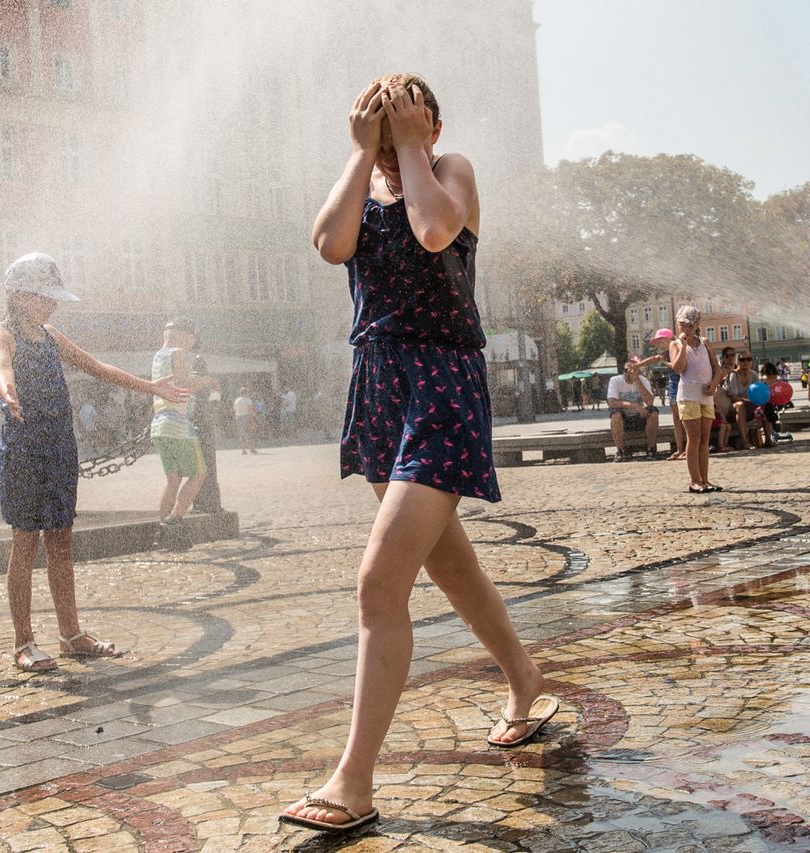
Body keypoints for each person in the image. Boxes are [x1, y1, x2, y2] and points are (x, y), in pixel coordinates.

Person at [282, 73, 552, 834]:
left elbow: (435, 232)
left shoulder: (452, 171)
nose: (396, 130)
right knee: (450, 563)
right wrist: (365, 154)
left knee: (379, 581)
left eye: (410, 116)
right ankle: (525, 680)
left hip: (440, 382)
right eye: (382, 116)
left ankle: (352, 781)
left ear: (433, 126)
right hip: (379, 387)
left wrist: (408, 144)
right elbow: (330, 244)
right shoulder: (366, 187)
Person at [0, 253, 188, 673]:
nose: (53, 305)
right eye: (46, 298)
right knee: (25, 540)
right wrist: (9, 393)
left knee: (60, 539)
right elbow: (0, 366)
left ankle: (71, 635)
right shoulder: (1, 333)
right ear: (20, 296)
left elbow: (97, 368)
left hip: (59, 447)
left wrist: (148, 385)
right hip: (24, 449)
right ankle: (24, 642)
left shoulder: (50, 335)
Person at [151, 319, 219, 543]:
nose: (191, 345)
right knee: (199, 474)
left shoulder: (157, 356)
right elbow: (183, 385)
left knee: (173, 480)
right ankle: (175, 521)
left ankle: (162, 530)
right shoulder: (177, 352)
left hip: (159, 423)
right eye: (192, 340)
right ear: (182, 335)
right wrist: (207, 381)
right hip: (178, 424)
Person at [668, 305, 723, 493]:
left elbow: (717, 368)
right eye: (683, 324)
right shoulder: (675, 344)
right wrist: (683, 345)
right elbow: (678, 368)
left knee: (705, 439)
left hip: (706, 396)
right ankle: (694, 481)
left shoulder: (705, 342)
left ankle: (705, 479)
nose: (686, 329)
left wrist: (714, 383)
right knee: (694, 438)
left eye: (690, 325)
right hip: (688, 396)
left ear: (697, 325)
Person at [606, 357, 660, 461]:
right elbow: (611, 402)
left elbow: (649, 402)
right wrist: (634, 405)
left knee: (653, 412)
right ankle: (620, 451)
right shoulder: (615, 380)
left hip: (639, 417)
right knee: (615, 414)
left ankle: (651, 449)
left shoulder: (643, 380)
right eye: (626, 370)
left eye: (633, 369)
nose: (629, 373)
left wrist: (637, 381)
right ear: (623, 371)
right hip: (623, 418)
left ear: (638, 371)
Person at [646, 328, 685, 460]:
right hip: (674, 389)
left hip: (686, 388)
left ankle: (688, 449)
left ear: (669, 339)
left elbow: (677, 367)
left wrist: (666, 363)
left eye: (660, 341)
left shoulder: (679, 349)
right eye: (656, 342)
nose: (658, 344)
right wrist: (638, 364)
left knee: (687, 420)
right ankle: (680, 449)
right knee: (676, 420)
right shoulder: (665, 353)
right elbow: (653, 359)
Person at [722, 351, 763, 451]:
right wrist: (749, 400)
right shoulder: (733, 375)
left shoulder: (753, 375)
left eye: (748, 359)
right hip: (730, 408)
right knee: (740, 405)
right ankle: (745, 441)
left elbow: (760, 391)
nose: (746, 362)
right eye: (742, 359)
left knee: (766, 404)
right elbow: (733, 397)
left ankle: (768, 439)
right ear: (738, 362)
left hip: (748, 405)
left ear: (752, 362)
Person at [712, 346, 737, 452]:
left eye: (732, 355)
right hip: (722, 402)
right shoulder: (721, 371)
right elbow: (715, 388)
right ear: (723, 358)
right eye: (727, 356)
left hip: (734, 401)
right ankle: (722, 445)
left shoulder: (738, 370)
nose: (730, 358)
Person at [233, 388, 257, 453]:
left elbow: (234, 409)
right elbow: (250, 409)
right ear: (246, 393)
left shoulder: (237, 400)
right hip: (246, 417)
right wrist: (254, 415)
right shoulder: (248, 400)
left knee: (241, 433)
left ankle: (243, 450)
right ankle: (251, 449)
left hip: (238, 417)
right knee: (249, 433)